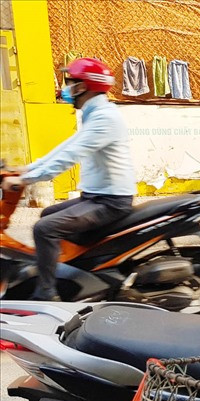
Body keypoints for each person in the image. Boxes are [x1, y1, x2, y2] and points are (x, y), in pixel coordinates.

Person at [0, 58, 135, 301]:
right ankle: (73, 272)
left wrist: (25, 180)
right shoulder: (94, 114)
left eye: (69, 82)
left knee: (44, 229)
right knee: (47, 214)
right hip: (95, 196)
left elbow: (69, 156)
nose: (65, 87)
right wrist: (24, 170)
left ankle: (47, 292)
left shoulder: (105, 118)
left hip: (111, 202)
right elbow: (64, 149)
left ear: (83, 87)